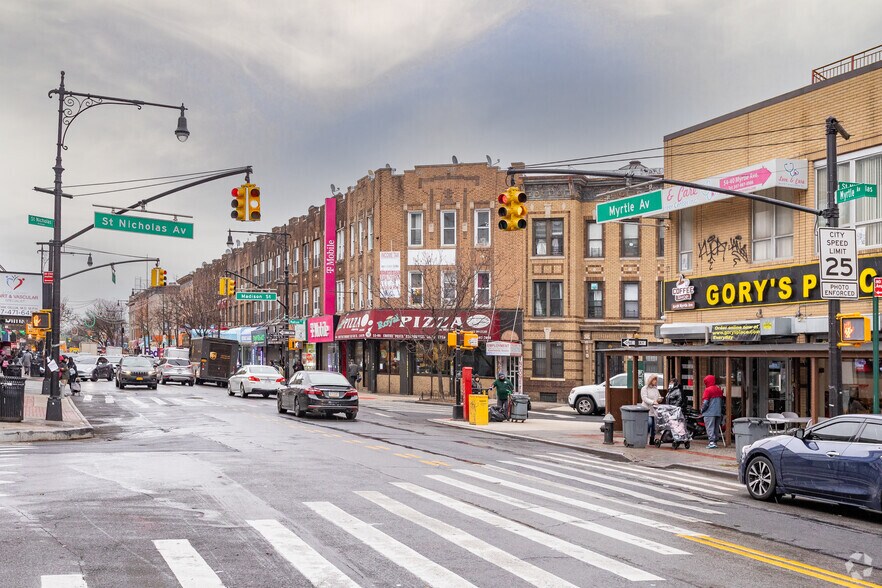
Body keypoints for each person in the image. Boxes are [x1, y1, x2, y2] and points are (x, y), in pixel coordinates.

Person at [701, 374, 724, 449]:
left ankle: (711, 442)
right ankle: (715, 441)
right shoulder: (718, 389)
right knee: (716, 427)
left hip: (709, 413)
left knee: (710, 427)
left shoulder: (708, 390)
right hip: (718, 412)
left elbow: (705, 402)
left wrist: (702, 410)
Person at [641, 374, 662, 445]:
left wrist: (659, 399)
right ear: (650, 380)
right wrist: (653, 402)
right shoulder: (644, 388)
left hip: (654, 410)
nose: (655, 381)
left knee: (654, 426)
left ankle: (652, 439)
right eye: (654, 380)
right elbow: (644, 398)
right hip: (647, 410)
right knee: (649, 423)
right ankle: (643, 438)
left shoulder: (655, 389)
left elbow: (658, 396)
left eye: (656, 380)